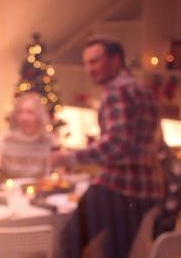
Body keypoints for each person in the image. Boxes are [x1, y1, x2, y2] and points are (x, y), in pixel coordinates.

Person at [51, 38, 163, 258]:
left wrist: (70, 157)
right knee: (114, 253)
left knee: (69, 240)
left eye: (95, 62)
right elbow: (144, 141)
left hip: (118, 186)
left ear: (115, 60)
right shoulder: (143, 89)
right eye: (86, 63)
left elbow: (117, 143)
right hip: (145, 190)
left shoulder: (116, 91)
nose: (89, 69)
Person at [0, 92, 57, 182]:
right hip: (10, 192)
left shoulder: (50, 141)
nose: (24, 117)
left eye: (30, 112)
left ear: (39, 116)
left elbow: (51, 175)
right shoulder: (4, 138)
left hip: (40, 191)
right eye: (20, 112)